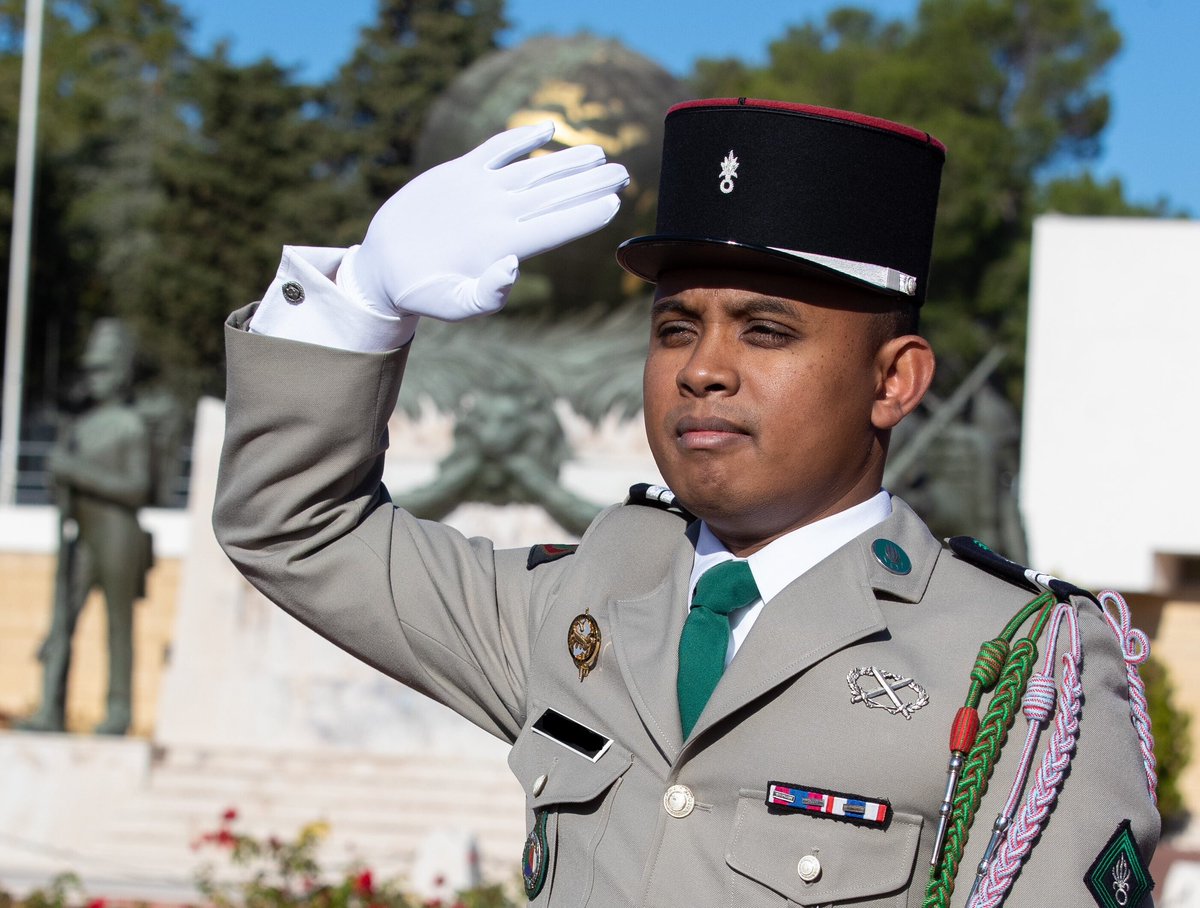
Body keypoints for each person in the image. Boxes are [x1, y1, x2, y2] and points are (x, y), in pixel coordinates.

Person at [214, 101, 1159, 906]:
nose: (703, 369)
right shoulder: (588, 601)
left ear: (894, 382)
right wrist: (360, 304)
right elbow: (296, 525)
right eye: (675, 328)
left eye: (767, 331)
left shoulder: (1013, 668)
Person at [19, 319, 153, 736]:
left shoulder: (131, 426)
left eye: (104, 369)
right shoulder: (79, 425)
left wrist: (75, 471)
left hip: (118, 535)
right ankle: (51, 707)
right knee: (62, 622)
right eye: (91, 369)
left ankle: (118, 710)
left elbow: (137, 487)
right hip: (82, 537)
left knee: (117, 627)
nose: (95, 377)